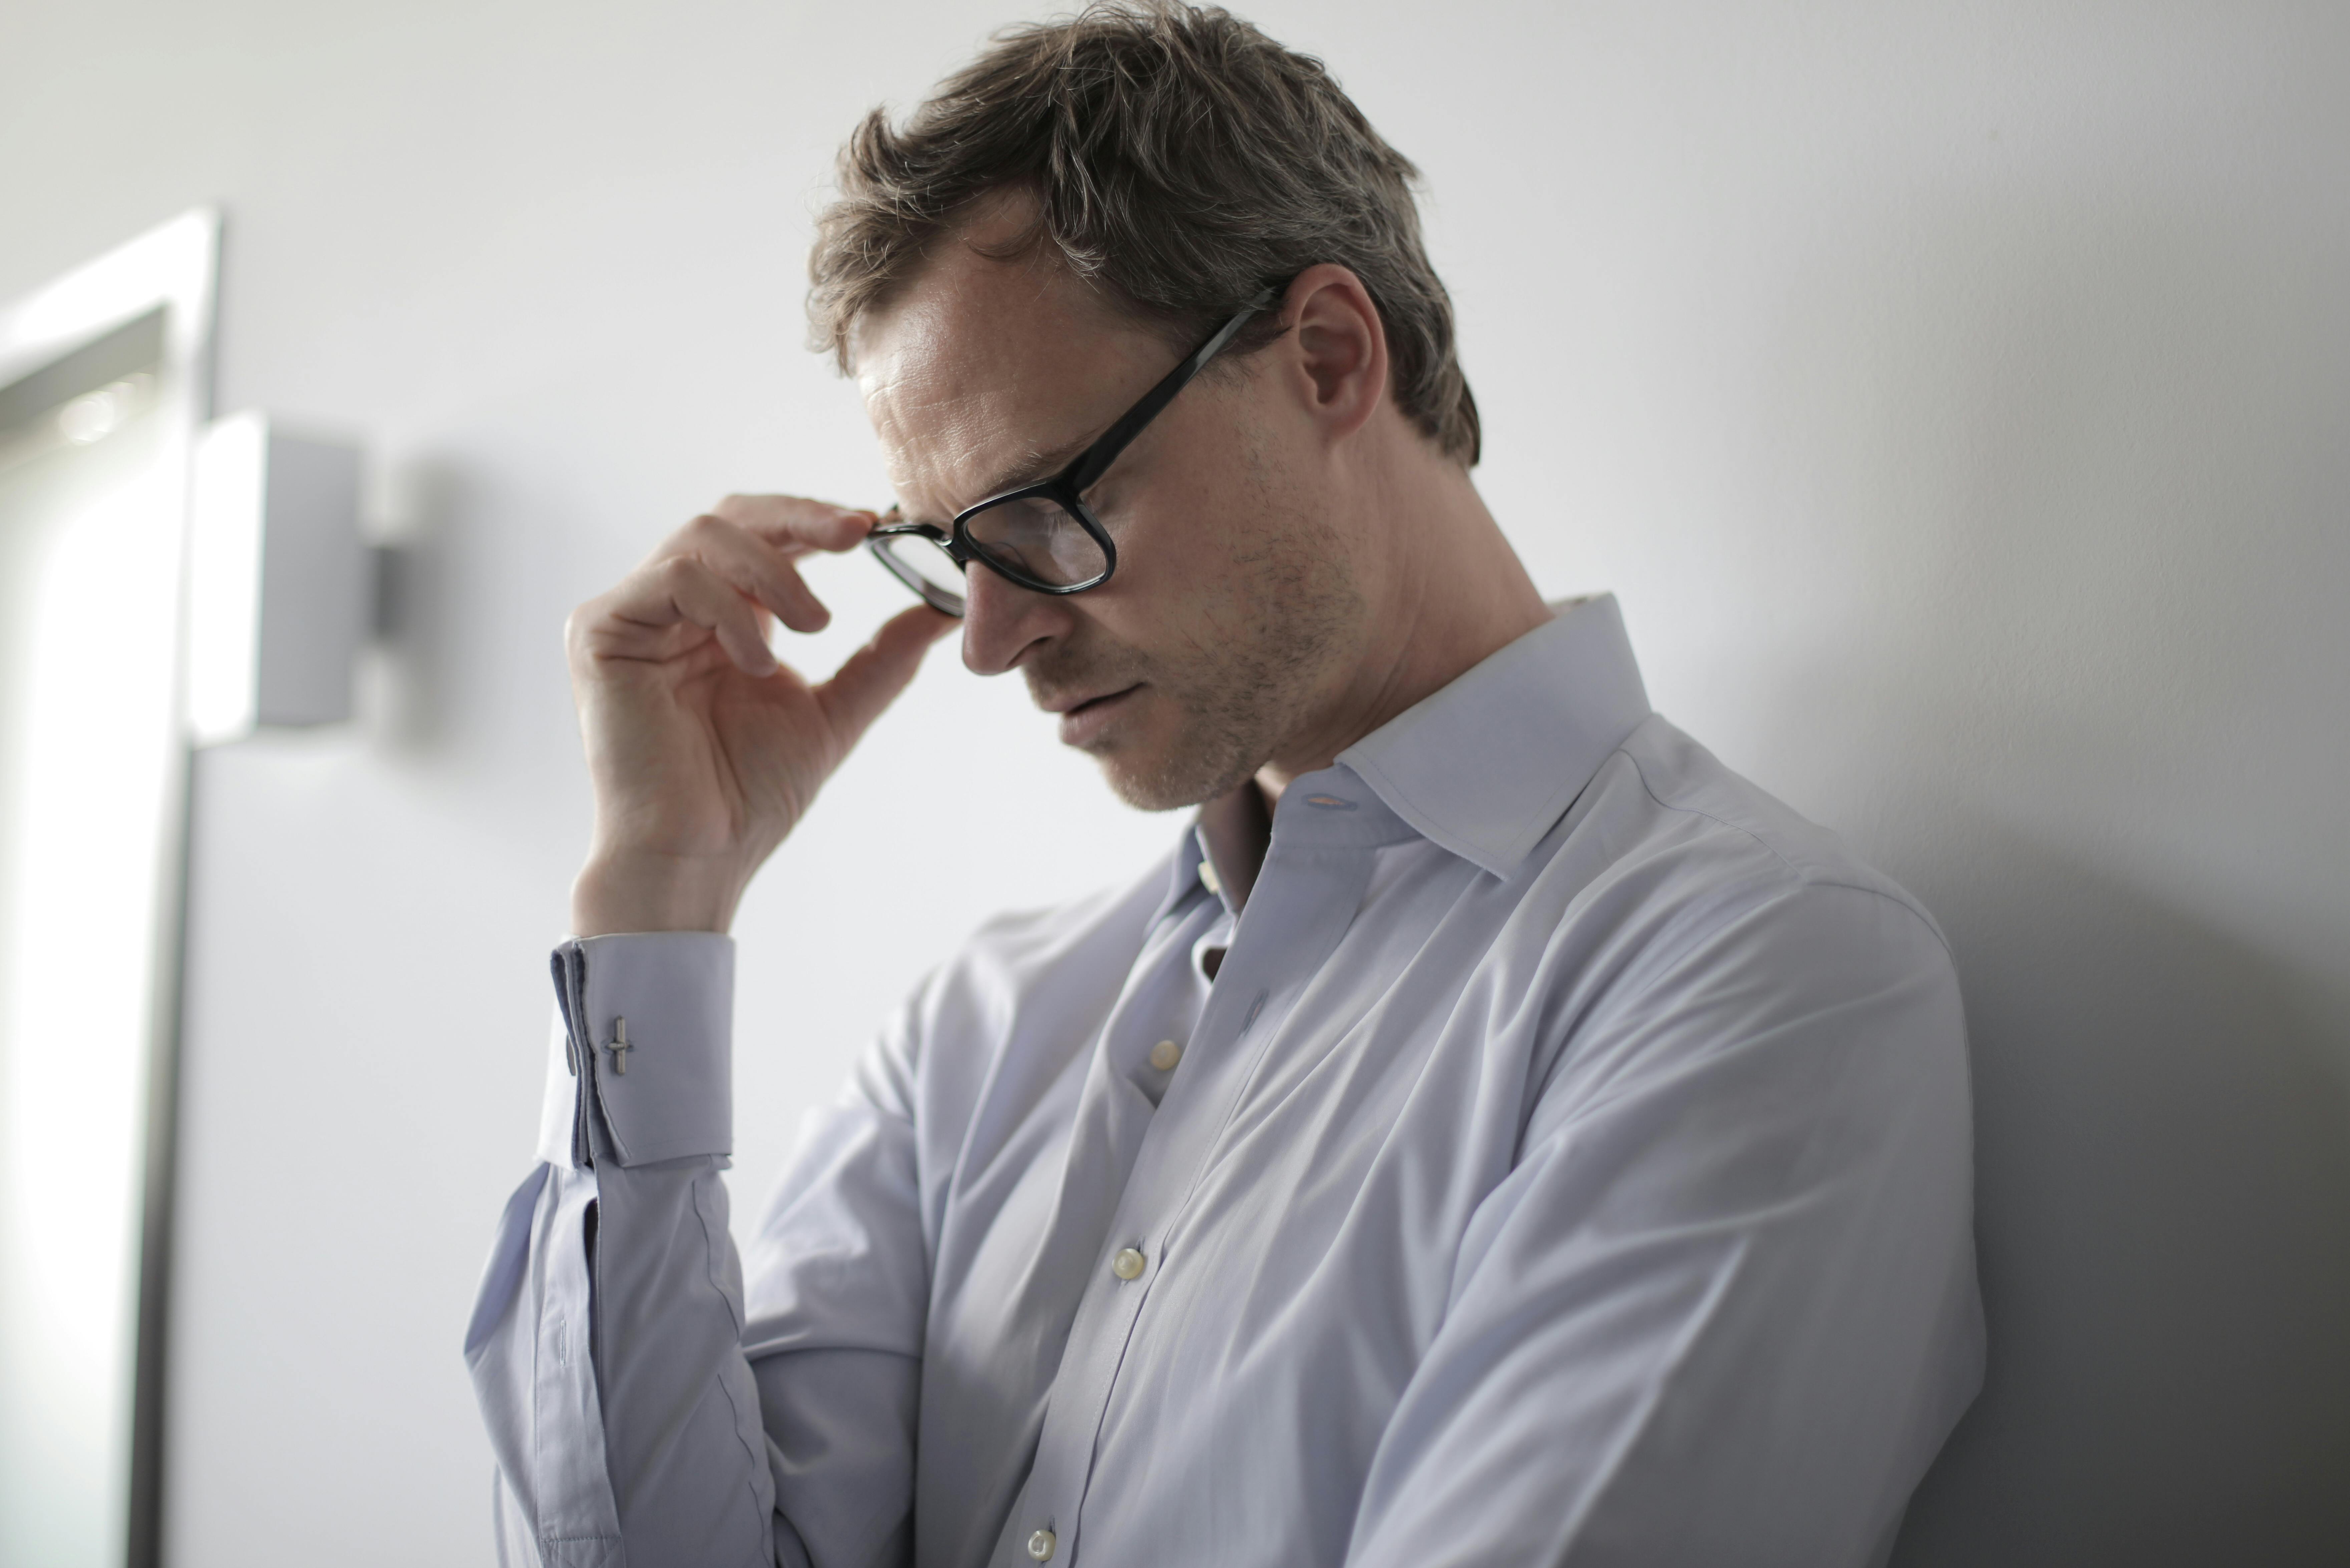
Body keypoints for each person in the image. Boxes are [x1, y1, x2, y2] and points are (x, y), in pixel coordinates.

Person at [464, 5, 1984, 1565]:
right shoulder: (978, 1033)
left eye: (1053, 503)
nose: (991, 641)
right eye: (951, 550)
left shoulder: (1754, 979)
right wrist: (659, 894)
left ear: (1326, 357)